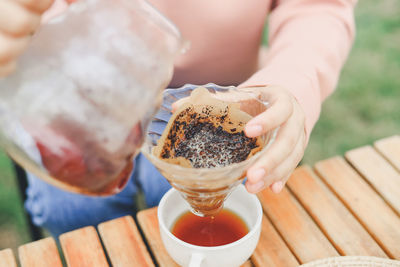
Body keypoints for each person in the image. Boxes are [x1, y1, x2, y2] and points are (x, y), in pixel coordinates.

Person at [0, 0, 357, 236]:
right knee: (69, 210)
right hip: (85, 96)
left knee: (211, 213)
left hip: (231, 105)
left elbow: (317, 8)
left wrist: (290, 82)